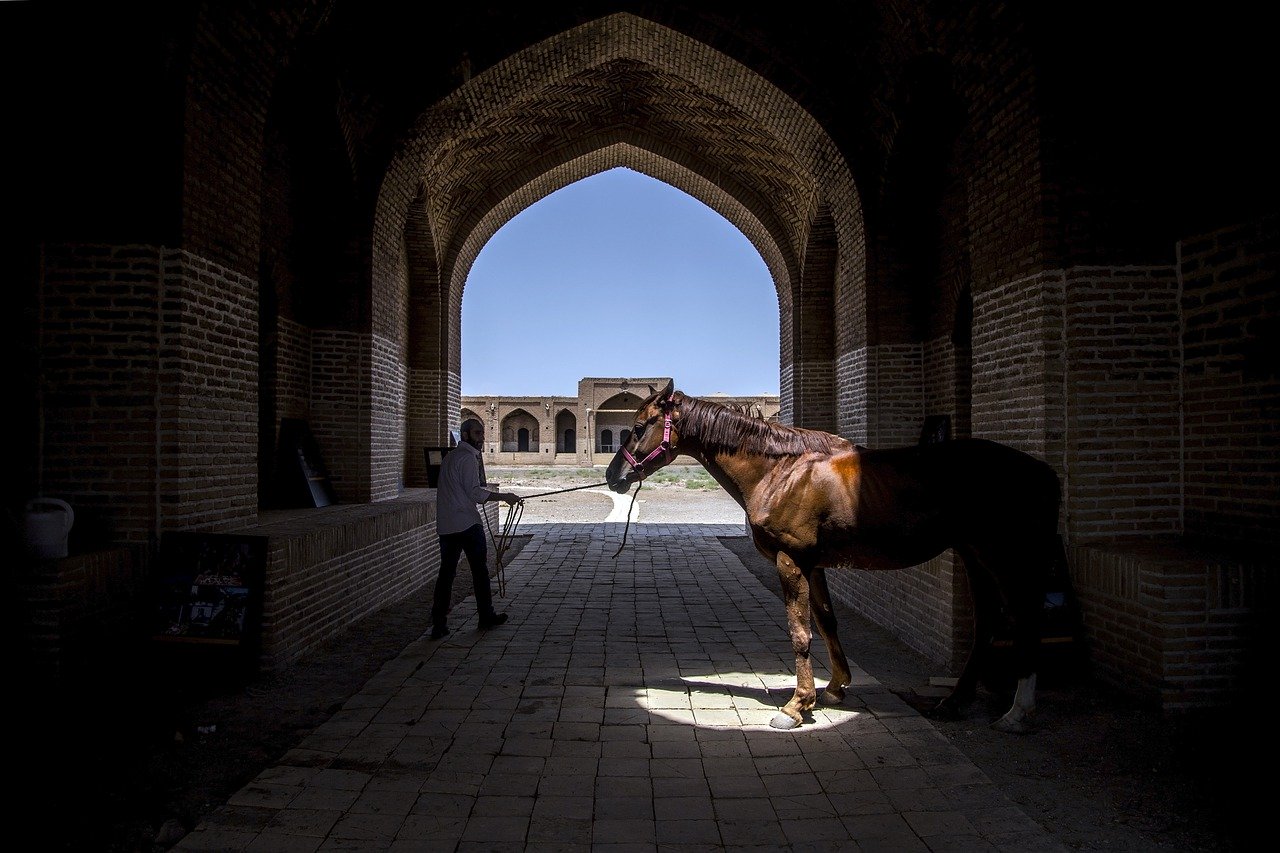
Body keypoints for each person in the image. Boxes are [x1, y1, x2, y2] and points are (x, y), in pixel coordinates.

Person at [431, 418, 520, 640]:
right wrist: (504, 497)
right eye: (477, 433)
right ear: (465, 435)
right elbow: (475, 493)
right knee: (479, 572)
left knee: (446, 574)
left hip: (447, 525)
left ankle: (438, 623)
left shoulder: (450, 457)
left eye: (482, 433)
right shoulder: (468, 458)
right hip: (467, 524)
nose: (482, 438)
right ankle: (486, 616)